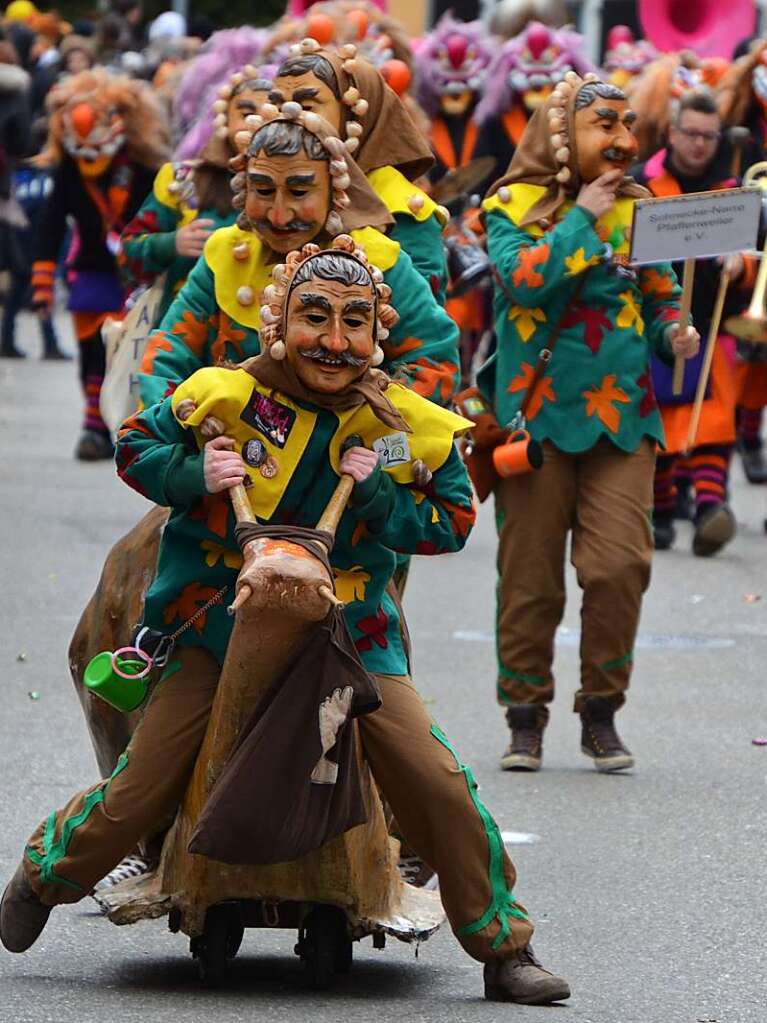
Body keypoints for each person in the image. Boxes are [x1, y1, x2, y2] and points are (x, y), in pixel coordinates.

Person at [1, 236, 570, 1007]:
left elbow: (452, 521)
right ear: (279, 322)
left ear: (377, 334)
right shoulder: (224, 394)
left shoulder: (403, 423)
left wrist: (375, 496)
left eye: (354, 323)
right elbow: (135, 445)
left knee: (437, 784)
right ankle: (43, 874)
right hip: (213, 629)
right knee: (137, 790)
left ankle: (505, 946)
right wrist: (193, 471)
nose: (334, 342)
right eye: (314, 317)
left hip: (351, 638)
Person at [480, 72, 699, 773]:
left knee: (618, 567)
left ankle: (600, 710)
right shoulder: (509, 205)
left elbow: (661, 299)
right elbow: (523, 280)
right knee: (530, 580)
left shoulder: (643, 207)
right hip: (532, 419)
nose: (623, 141)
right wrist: (581, 213)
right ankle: (524, 716)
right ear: (560, 134)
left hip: (622, 419)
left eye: (627, 125)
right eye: (604, 124)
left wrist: (675, 334)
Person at [632, 88, 753, 555]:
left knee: (715, 419)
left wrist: (739, 266)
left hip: (713, 322)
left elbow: (752, 252)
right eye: (692, 134)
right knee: (662, 417)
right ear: (672, 133)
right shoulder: (643, 181)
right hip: (654, 324)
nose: (700, 144)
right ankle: (661, 511)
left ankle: (709, 506)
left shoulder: (732, 187)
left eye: (709, 136)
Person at [29, 68, 168, 459]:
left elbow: (162, 218)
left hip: (136, 275)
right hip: (90, 272)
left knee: (131, 356)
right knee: (91, 352)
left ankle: (126, 427)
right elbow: (50, 224)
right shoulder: (69, 170)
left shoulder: (145, 168)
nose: (90, 154)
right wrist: (41, 285)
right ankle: (93, 425)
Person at [272, 41, 449, 302]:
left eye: (307, 107)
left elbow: (421, 320)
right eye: (277, 106)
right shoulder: (263, 196)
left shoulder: (404, 210)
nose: (286, 118)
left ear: (354, 117)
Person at [119, 66, 273, 325]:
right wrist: (171, 243)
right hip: (186, 332)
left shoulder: (300, 188)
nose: (257, 123)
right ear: (224, 120)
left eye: (270, 114)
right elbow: (127, 256)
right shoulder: (181, 180)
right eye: (246, 113)